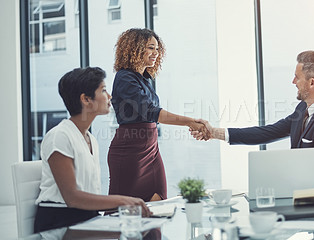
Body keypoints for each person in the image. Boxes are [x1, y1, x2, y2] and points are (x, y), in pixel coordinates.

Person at [191, 50, 314, 193]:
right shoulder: (303, 109)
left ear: (312, 82)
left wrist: (271, 180)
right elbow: (268, 132)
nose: (293, 82)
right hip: (302, 197)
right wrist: (214, 133)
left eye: (297, 77)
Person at [34, 67, 151, 233]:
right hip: (60, 222)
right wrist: (122, 201)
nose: (109, 96)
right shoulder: (59, 136)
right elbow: (72, 198)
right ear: (86, 99)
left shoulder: (91, 139)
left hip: (87, 218)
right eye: (103, 90)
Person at [108, 28, 210, 202]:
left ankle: (153, 231)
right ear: (134, 49)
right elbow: (153, 113)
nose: (155, 53)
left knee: (159, 200)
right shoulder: (124, 77)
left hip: (151, 149)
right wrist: (190, 122)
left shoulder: (144, 79)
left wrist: (190, 122)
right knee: (124, 208)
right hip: (130, 151)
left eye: (157, 49)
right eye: (150, 48)